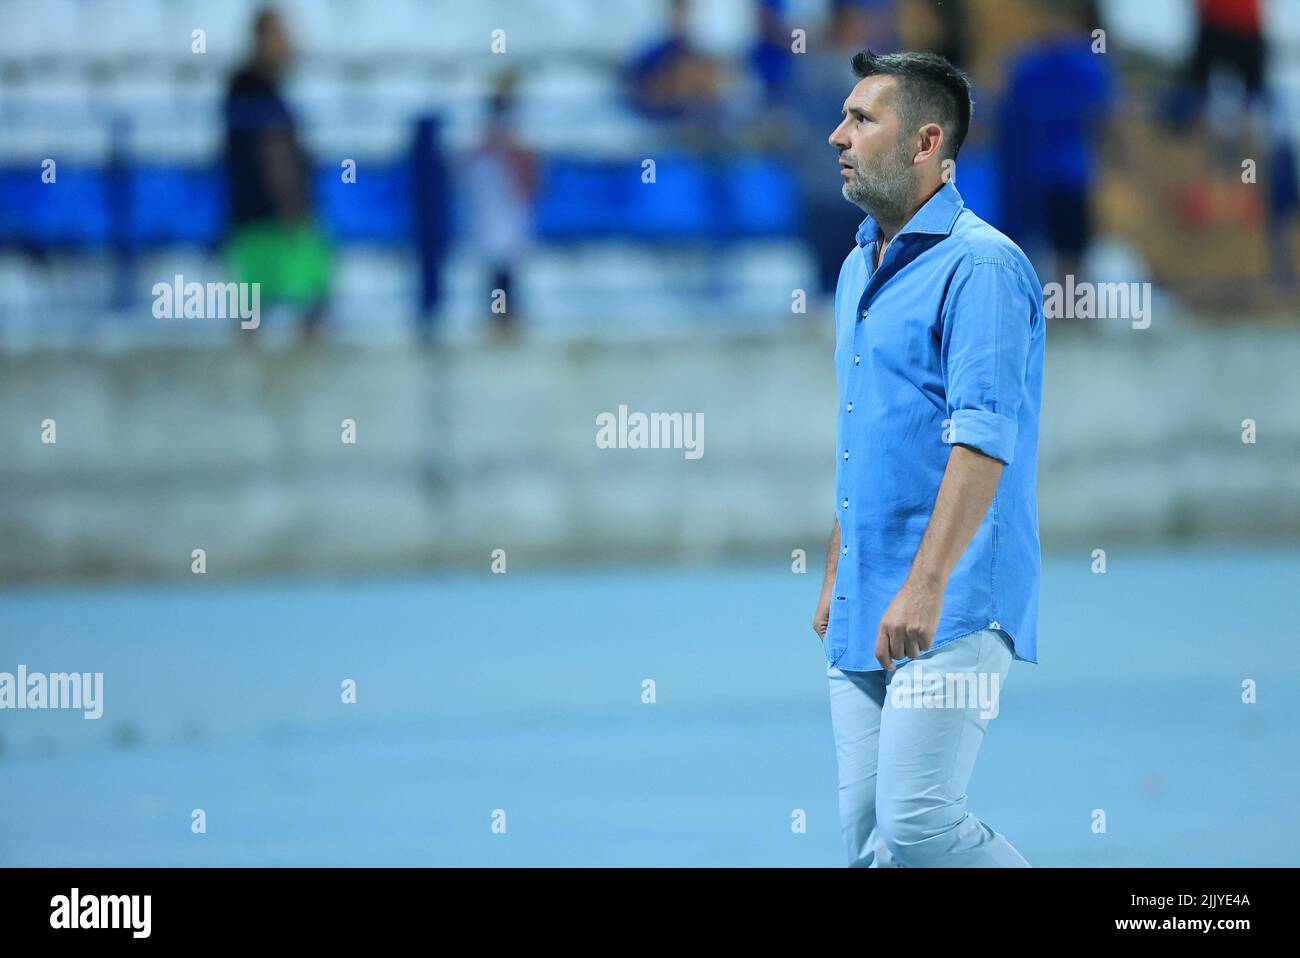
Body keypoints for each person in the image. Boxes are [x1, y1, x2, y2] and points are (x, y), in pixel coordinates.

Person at [814, 50, 1045, 867]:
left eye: (862, 119)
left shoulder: (981, 266)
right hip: (865, 595)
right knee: (872, 846)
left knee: (920, 824)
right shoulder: (855, 266)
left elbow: (985, 438)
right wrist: (842, 566)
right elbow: (864, 430)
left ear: (924, 143)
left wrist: (925, 582)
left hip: (950, 593)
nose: (837, 135)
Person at [223, 8, 331, 342]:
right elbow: (274, 153)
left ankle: (258, 381)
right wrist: (295, 206)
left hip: (255, 214)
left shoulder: (255, 86)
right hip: (271, 214)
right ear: (262, 40)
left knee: (259, 308)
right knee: (307, 300)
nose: (288, 44)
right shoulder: (253, 87)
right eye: (281, 36)